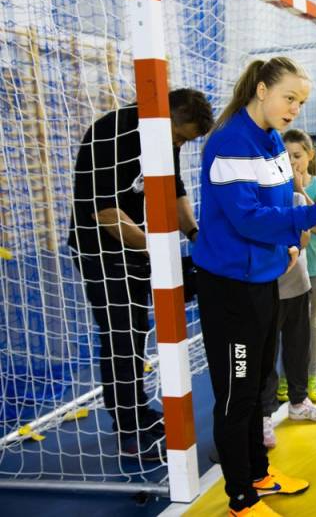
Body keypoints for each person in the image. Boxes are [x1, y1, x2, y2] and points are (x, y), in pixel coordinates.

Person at [192, 57, 316, 516]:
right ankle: (240, 499)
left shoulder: (272, 138)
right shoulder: (230, 143)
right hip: (231, 287)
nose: (295, 108)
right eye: (289, 98)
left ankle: (259, 475)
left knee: (260, 382)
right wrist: (313, 215)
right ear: (261, 90)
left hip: (264, 279)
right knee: (236, 394)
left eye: (301, 102)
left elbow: (279, 202)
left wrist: (290, 243)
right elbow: (247, 217)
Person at [68, 88, 213, 461]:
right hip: (98, 247)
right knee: (120, 333)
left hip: (136, 243)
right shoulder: (109, 133)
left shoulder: (165, 135)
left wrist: (196, 236)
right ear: (166, 117)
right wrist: (159, 249)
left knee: (138, 329)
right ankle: (127, 428)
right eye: (179, 137)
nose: (179, 145)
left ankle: (139, 409)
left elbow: (173, 191)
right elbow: (105, 212)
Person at [261, 191, 316, 450]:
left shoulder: (296, 199)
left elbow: (303, 238)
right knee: (267, 354)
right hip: (267, 287)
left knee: (299, 347)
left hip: (298, 284)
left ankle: (299, 402)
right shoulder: (259, 200)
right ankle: (264, 415)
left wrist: (289, 236)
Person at [282, 129, 316, 403]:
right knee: (287, 324)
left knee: (313, 320)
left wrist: (300, 189)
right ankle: (285, 377)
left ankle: (313, 376)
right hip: (289, 266)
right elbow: (289, 220)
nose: (292, 162)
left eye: (297, 156)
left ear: (310, 155)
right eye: (287, 156)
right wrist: (311, 224)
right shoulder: (278, 187)